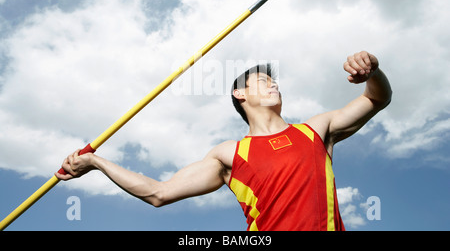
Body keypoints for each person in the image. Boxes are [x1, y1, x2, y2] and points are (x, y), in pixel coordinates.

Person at [56, 51, 392, 231]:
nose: (273, 85)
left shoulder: (315, 130)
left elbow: (377, 99)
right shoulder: (229, 154)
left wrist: (373, 72)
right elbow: (158, 193)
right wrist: (96, 162)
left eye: (275, 81)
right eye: (262, 80)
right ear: (240, 94)